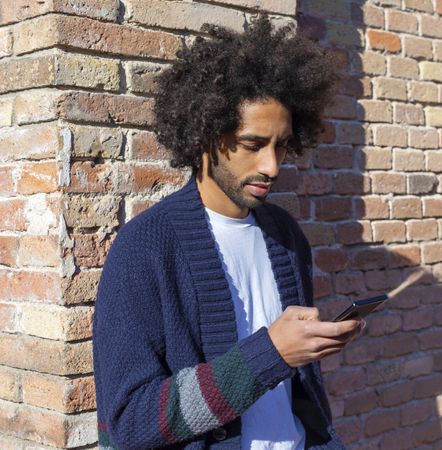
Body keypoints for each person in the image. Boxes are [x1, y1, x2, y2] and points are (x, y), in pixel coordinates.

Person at [93, 15, 363, 450]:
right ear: (205, 135)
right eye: (253, 145)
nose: (273, 166)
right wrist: (270, 355)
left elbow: (296, 392)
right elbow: (129, 421)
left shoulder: (285, 235)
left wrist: (311, 344)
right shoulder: (145, 247)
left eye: (282, 145)